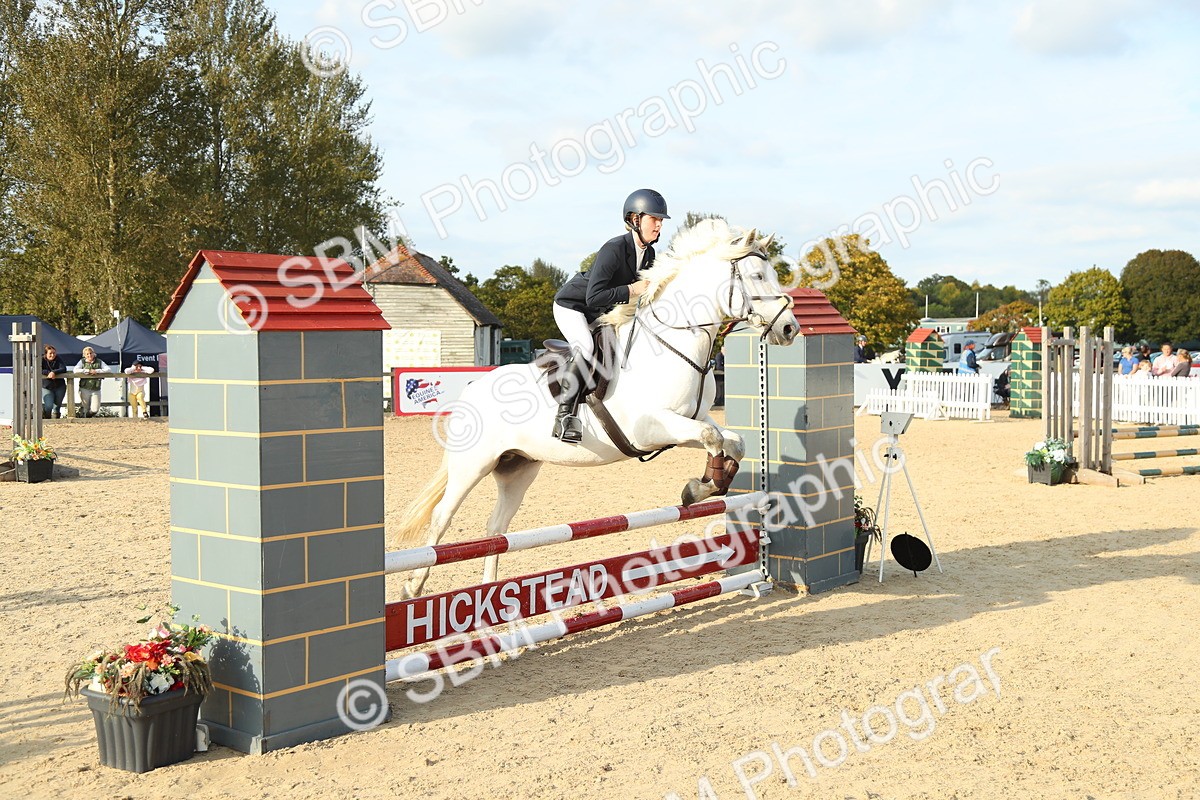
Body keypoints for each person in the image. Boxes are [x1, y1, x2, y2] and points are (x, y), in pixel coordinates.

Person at [550, 188, 668, 443]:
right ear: (635, 220)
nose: (659, 225)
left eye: (660, 221)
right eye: (654, 219)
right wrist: (630, 290)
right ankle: (564, 418)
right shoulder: (613, 249)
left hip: (601, 312)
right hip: (573, 306)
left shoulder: (649, 254)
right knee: (586, 346)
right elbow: (593, 297)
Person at [72, 346, 110, 417]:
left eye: (91, 353)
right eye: (87, 354)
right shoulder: (82, 361)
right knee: (86, 407)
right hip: (84, 387)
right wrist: (87, 371)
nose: (89, 355)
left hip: (96, 388)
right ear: (84, 355)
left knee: (95, 409)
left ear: (94, 353)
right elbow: (75, 370)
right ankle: (87, 422)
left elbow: (108, 369)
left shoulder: (99, 361)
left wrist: (97, 371)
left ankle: (88, 416)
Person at [41, 344, 68, 419]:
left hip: (60, 386)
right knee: (48, 406)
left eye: (54, 353)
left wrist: (54, 372)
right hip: (47, 386)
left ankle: (56, 422)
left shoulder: (58, 359)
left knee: (57, 406)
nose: (52, 355)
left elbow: (63, 368)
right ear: (46, 354)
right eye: (50, 353)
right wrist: (47, 373)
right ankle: (47, 419)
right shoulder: (41, 360)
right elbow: (38, 369)